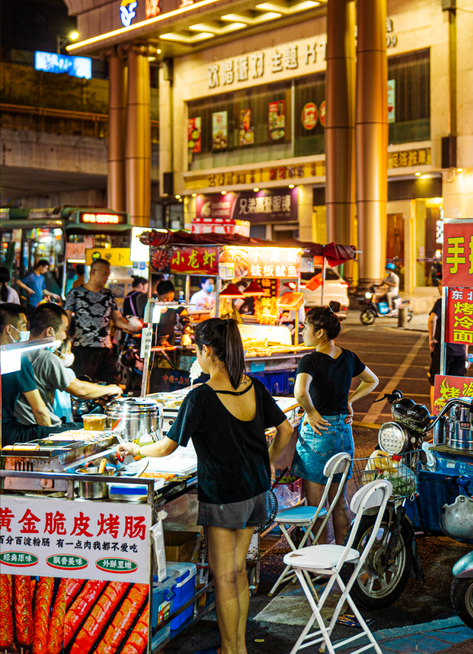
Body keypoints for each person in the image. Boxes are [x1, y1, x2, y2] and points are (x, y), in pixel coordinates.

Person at [118, 317, 293, 654]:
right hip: (255, 491)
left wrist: (135, 449)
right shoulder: (252, 387)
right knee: (238, 571)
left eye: (197, 351)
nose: (197, 358)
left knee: (225, 576)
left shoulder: (201, 396)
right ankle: (237, 646)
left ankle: (232, 650)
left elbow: (166, 447)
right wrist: (267, 462)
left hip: (225, 494)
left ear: (208, 351)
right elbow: (284, 430)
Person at [291, 306, 379, 545]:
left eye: (306, 327)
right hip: (343, 434)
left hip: (319, 434)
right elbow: (372, 381)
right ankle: (343, 555)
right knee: (339, 502)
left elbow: (300, 392)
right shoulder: (348, 356)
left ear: (319, 332)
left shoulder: (310, 360)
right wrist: (347, 401)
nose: (302, 332)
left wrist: (310, 412)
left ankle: (320, 563)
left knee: (316, 505)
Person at [13, 303, 121, 431]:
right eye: (64, 330)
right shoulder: (47, 358)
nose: (65, 336)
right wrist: (111, 389)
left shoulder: (16, 352)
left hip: (21, 426)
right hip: (39, 428)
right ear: (50, 331)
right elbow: (79, 390)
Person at [64, 258, 142, 383]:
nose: (107, 277)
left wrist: (130, 326)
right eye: (104, 273)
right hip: (83, 347)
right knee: (84, 385)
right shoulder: (75, 293)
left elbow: (117, 319)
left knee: (112, 384)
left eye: (108, 273)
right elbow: (66, 319)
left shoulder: (108, 295)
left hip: (105, 348)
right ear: (93, 272)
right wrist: (64, 340)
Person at [0, 303, 64, 444]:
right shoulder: (17, 360)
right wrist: (50, 439)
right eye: (23, 327)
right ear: (9, 329)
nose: (26, 332)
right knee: (73, 431)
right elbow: (39, 410)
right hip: (6, 432)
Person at [428, 279, 467, 382]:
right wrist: (466, 352)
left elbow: (432, 320)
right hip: (460, 352)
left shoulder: (442, 302)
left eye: (441, 285)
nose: (438, 287)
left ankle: (436, 399)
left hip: (444, 349)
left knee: (437, 382)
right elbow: (468, 329)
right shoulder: (465, 304)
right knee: (456, 383)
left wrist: (431, 338)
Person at [155, 279, 181, 345]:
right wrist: (160, 340)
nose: (169, 300)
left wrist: (186, 326)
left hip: (170, 339)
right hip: (155, 340)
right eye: (166, 298)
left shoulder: (174, 302)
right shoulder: (153, 305)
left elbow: (183, 313)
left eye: (171, 297)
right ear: (158, 295)